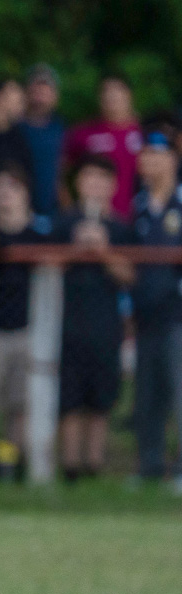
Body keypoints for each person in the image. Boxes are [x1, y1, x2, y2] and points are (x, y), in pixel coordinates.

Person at [53, 157, 135, 479]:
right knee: (69, 398)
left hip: (105, 323)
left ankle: (94, 466)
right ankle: (70, 466)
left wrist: (103, 252)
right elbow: (46, 268)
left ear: (113, 186)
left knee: (101, 399)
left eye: (102, 180)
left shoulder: (121, 228)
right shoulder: (63, 223)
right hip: (68, 321)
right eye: (89, 178)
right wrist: (75, 250)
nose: (95, 186)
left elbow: (130, 277)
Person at [0, 166, 50, 475]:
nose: (5, 194)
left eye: (12, 188)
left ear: (25, 194)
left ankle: (10, 463)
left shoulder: (39, 236)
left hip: (26, 330)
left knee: (19, 405)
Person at [129, 134, 182, 483]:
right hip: (144, 314)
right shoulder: (137, 207)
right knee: (147, 395)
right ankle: (149, 467)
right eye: (146, 155)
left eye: (158, 155)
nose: (151, 162)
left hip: (178, 314)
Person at [63, 75, 144, 220]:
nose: (111, 96)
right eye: (106, 91)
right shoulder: (83, 134)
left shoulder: (143, 134)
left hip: (136, 220)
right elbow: (62, 174)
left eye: (117, 90)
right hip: (93, 220)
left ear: (129, 95)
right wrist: (69, 210)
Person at [20, 64, 66, 217]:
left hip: (53, 211)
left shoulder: (62, 129)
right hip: (19, 211)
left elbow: (64, 171)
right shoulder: (14, 128)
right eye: (36, 87)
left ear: (55, 95)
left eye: (46, 88)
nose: (40, 93)